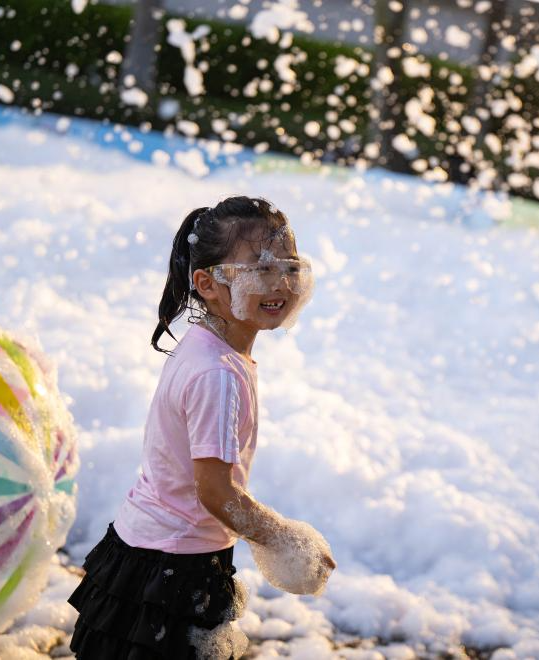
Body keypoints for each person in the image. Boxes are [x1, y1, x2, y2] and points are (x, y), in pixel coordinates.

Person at [67, 195, 336, 659]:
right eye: (261, 268)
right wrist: (284, 539)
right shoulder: (218, 374)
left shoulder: (207, 347)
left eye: (290, 267)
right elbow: (217, 493)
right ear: (207, 284)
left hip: (143, 546)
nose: (281, 283)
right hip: (173, 566)